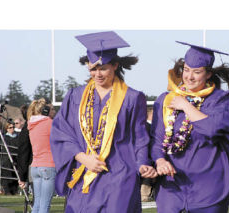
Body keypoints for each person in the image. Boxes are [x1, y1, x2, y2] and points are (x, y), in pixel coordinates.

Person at [50, 31, 157, 213]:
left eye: (103, 68)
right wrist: (82, 157)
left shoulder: (132, 98)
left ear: (115, 65)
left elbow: (139, 138)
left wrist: (142, 163)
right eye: (93, 68)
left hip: (119, 174)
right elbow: (62, 132)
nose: (97, 74)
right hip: (84, 171)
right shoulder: (75, 96)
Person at [150, 41, 229, 212]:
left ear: (208, 74)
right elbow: (157, 139)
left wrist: (186, 106)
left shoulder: (223, 100)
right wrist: (160, 160)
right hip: (172, 187)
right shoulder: (166, 99)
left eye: (197, 72)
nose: (189, 76)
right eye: (186, 70)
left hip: (209, 187)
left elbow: (211, 129)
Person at [27, 98, 56, 213]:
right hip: (48, 165)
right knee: (45, 205)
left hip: (35, 166)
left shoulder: (32, 125)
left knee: (37, 205)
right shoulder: (50, 123)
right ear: (46, 110)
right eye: (51, 109)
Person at [2, 122, 19, 195]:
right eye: (10, 128)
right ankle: (7, 191)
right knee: (7, 175)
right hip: (7, 159)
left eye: (13, 127)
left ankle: (15, 190)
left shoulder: (17, 136)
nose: (12, 129)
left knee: (15, 175)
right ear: (7, 129)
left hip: (16, 158)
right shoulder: (5, 137)